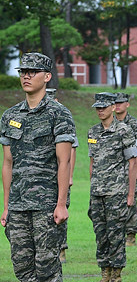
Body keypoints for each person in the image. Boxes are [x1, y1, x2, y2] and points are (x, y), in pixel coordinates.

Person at [1, 53, 76, 282]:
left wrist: (61, 203)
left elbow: (64, 161)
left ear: (47, 76)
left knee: (47, 266)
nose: (26, 76)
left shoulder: (59, 114)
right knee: (23, 266)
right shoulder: (11, 116)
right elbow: (7, 163)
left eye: (33, 71)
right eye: (23, 71)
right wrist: (6, 206)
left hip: (46, 203)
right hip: (18, 204)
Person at [87, 92, 137, 282]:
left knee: (116, 233)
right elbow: (92, 162)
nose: (100, 111)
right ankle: (104, 273)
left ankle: (116, 275)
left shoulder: (124, 131)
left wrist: (130, 194)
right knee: (100, 234)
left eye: (103, 107)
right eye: (97, 108)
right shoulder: (92, 132)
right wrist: (92, 187)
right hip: (97, 191)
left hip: (117, 191)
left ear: (112, 107)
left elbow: (132, 163)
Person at [46, 89, 76, 264]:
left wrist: (70, 176)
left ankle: (61, 248)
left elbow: (71, 153)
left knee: (60, 214)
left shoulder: (62, 118)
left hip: (60, 177)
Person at [114, 93, 137, 246]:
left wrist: (136, 169)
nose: (118, 105)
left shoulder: (134, 124)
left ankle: (131, 233)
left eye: (121, 103)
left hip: (129, 168)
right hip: (113, 171)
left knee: (130, 201)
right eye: (115, 103)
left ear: (127, 104)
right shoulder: (110, 122)